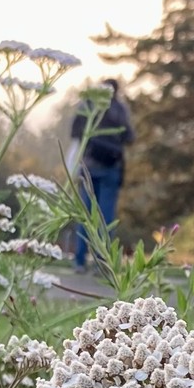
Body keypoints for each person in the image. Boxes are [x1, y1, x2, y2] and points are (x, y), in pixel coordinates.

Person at [70, 78, 134, 271]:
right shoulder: (120, 110)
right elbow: (129, 137)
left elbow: (74, 132)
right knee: (106, 219)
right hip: (111, 168)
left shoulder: (87, 104)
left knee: (85, 216)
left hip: (88, 166)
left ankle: (79, 261)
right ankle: (102, 263)